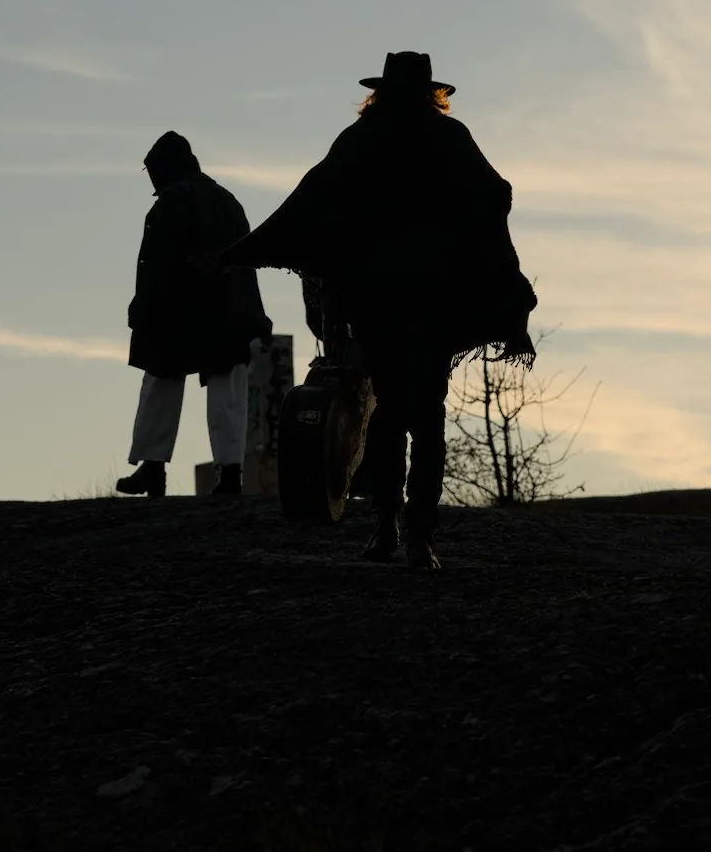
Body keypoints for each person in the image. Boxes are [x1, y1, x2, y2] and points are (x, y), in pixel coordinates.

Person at [223, 52, 536, 570]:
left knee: (388, 413)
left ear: (381, 92)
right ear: (431, 92)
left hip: (375, 299)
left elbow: (311, 200)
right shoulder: (451, 139)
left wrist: (240, 252)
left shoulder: (361, 140)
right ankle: (420, 536)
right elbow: (495, 193)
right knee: (427, 417)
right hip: (435, 300)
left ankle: (388, 525)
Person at [116, 131, 272, 499]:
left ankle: (153, 468)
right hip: (229, 308)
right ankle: (231, 474)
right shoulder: (228, 201)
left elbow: (156, 264)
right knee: (227, 390)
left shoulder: (172, 202)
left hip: (178, 308)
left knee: (161, 381)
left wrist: (144, 309)